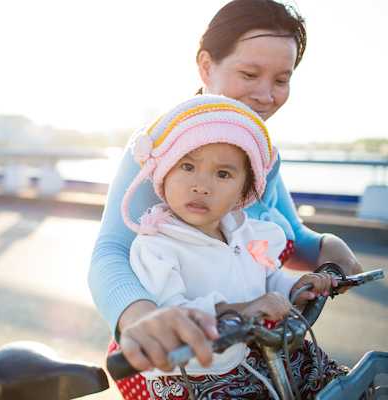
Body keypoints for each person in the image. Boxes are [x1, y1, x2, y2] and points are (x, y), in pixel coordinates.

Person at [88, 0, 363, 397]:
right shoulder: (166, 147)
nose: (267, 95)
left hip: (257, 344)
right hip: (184, 354)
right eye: (249, 74)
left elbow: (287, 233)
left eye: (281, 79)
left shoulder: (263, 154)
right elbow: (111, 250)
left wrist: (326, 247)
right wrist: (141, 318)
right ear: (205, 66)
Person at [115, 94, 347, 399]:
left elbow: (266, 277)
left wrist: (296, 286)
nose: (202, 185)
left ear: (243, 192)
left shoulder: (248, 234)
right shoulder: (156, 246)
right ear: (163, 173)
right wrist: (242, 310)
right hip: (197, 373)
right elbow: (171, 315)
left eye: (223, 174)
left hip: (253, 356)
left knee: (326, 377)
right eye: (187, 166)